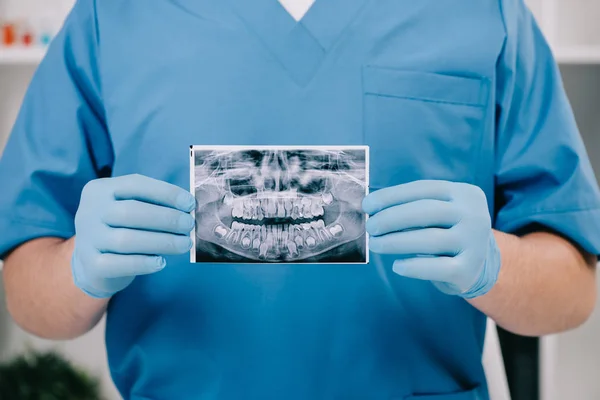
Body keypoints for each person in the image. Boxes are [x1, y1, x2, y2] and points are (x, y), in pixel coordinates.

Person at [1, 0, 599, 398]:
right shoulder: (116, 15)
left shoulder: (484, 14)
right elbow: (29, 291)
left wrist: (497, 265)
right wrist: (77, 272)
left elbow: (573, 291)